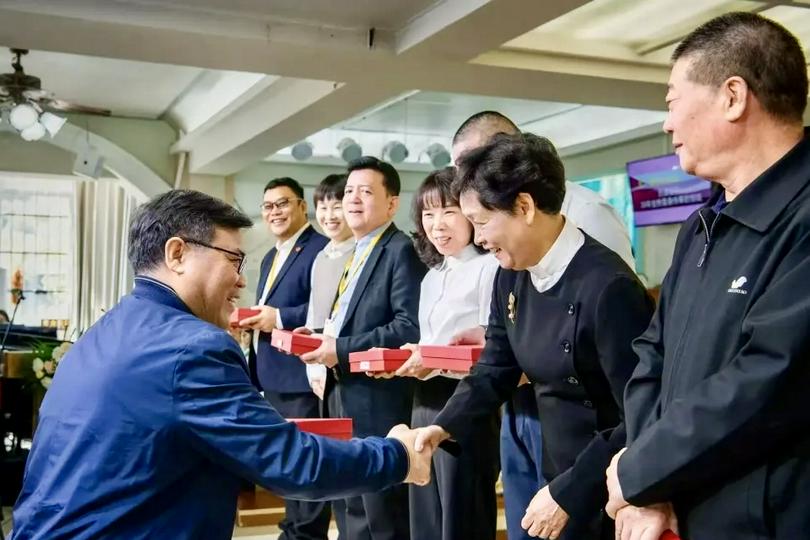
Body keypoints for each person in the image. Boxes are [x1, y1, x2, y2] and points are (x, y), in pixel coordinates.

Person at [11, 190, 431, 540]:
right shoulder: (193, 347)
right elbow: (291, 464)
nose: (241, 279)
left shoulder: (104, 331)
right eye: (233, 260)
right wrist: (396, 455)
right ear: (177, 253)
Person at [605, 12, 810, 540]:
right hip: (679, 506)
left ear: (733, 96)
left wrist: (638, 472)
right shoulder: (702, 226)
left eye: (672, 102)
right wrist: (649, 483)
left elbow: (770, 377)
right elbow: (653, 354)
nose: (667, 124)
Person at [415, 133, 654, 540]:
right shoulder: (511, 274)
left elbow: (640, 415)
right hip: (555, 466)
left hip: (606, 486)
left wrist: (570, 491)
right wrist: (442, 427)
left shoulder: (608, 286)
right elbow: (496, 367)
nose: (478, 238)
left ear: (524, 207)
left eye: (482, 222)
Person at [297, 157, 427, 540]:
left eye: (366, 192)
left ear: (391, 204)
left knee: (381, 514)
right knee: (349, 505)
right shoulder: (355, 251)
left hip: (378, 399)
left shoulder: (400, 249)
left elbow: (408, 327)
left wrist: (338, 348)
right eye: (349, 191)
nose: (352, 199)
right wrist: (319, 333)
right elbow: (354, 317)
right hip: (340, 391)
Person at [372, 167, 500, 540]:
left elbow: (491, 349)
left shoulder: (489, 267)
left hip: (466, 402)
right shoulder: (432, 275)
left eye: (448, 211)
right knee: (426, 510)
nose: (437, 224)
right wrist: (413, 358)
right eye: (428, 214)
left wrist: (434, 358)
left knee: (462, 513)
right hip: (425, 400)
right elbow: (433, 343)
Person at [239, 177, 331, 539]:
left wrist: (276, 317)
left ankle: (305, 532)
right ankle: (292, 527)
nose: (274, 212)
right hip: (273, 374)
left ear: (302, 207)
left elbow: (325, 309)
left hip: (301, 375)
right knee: (287, 460)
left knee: (306, 458)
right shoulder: (272, 256)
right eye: (268, 207)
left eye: (282, 204)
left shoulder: (321, 249)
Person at [303, 173, 355, 402]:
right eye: (322, 208)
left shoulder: (359, 253)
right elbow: (315, 313)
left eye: (337, 207)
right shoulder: (320, 257)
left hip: (349, 359)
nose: (329, 216)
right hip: (321, 362)